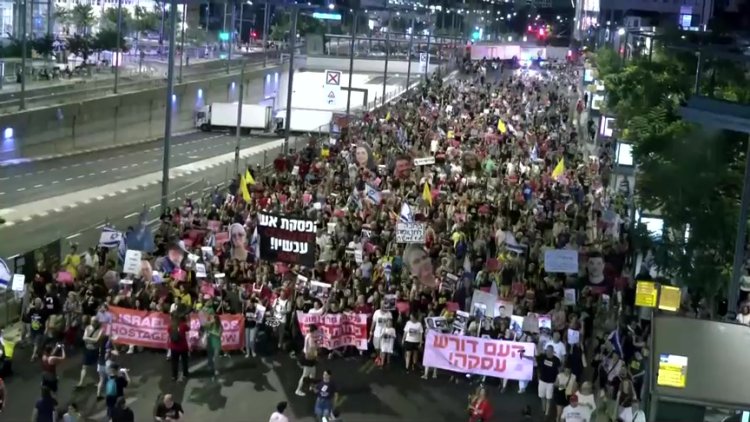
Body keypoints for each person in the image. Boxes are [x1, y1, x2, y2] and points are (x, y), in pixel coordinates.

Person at [77, 316, 102, 388]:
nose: (92, 322)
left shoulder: (100, 329)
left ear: (97, 322)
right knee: (84, 366)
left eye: (94, 321)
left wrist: (88, 339)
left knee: (95, 367)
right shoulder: (88, 327)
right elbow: (84, 338)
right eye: (91, 321)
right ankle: (81, 382)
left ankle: (99, 381)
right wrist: (92, 339)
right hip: (87, 350)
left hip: (95, 350)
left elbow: (97, 340)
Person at [538, 345, 562, 417]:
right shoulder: (542, 357)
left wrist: (557, 380)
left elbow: (559, 370)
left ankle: (547, 413)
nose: (548, 352)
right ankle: (543, 409)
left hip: (551, 382)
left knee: (549, 398)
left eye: (550, 351)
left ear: (552, 351)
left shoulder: (556, 360)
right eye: (547, 351)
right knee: (542, 396)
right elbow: (534, 358)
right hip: (542, 380)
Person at [295, 324, 318, 397]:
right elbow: (312, 347)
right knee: (305, 375)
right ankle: (298, 390)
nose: (317, 333)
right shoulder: (310, 338)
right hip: (309, 358)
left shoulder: (308, 335)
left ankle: (312, 386)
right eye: (316, 331)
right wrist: (318, 346)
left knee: (313, 373)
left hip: (307, 357)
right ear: (314, 331)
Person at [168, 314, 190, 382]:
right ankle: (185, 374)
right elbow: (188, 329)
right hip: (183, 347)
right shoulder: (183, 325)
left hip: (174, 347)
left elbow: (169, 333)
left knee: (174, 362)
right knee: (184, 361)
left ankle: (174, 376)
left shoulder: (170, 326)